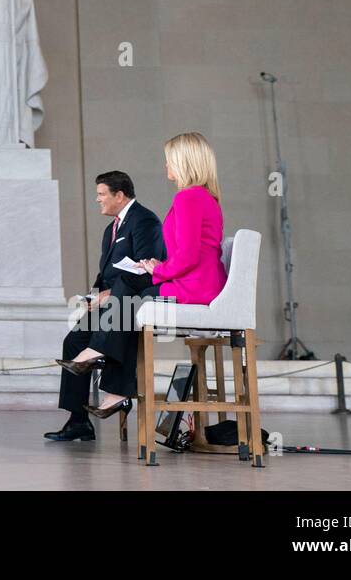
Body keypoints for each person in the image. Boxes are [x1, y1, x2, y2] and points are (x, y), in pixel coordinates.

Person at [58, 132, 226, 419]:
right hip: (199, 281)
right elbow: (188, 252)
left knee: (129, 292)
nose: (166, 166)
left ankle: (103, 361)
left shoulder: (189, 198)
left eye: (169, 160)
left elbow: (187, 257)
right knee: (131, 299)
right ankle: (116, 389)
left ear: (184, 162)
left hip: (195, 287)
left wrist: (157, 270)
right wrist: (155, 267)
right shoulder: (203, 197)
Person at [45, 171, 165, 442]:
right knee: (73, 342)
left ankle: (118, 393)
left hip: (133, 299)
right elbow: (105, 274)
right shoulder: (110, 230)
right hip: (109, 300)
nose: (97, 200)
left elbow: (150, 267)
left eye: (101, 195)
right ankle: (78, 421)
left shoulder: (144, 220)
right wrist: (93, 296)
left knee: (114, 328)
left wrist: (110, 294)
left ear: (119, 195)